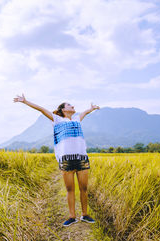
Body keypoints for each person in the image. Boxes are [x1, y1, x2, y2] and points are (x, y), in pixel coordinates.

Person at [13, 93, 100, 227]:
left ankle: (85, 214)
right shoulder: (57, 120)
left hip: (81, 157)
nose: (73, 106)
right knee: (70, 189)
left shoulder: (77, 119)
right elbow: (41, 109)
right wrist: (25, 101)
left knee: (84, 188)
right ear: (64, 109)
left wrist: (91, 109)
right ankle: (72, 216)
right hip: (66, 159)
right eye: (70, 105)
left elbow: (85, 113)